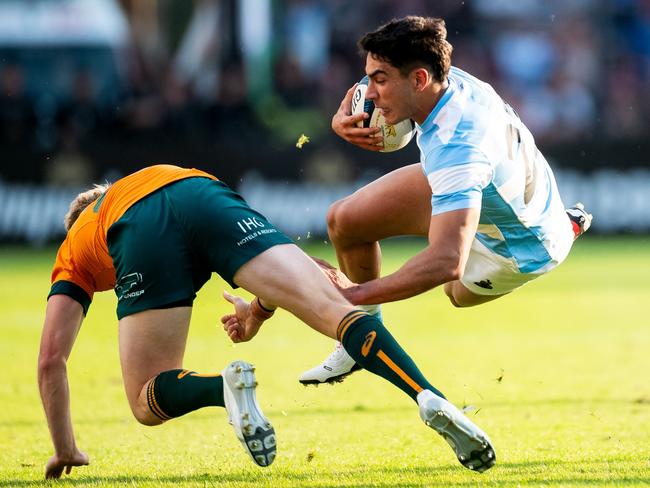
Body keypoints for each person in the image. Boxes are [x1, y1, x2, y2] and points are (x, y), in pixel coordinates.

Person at [39, 164, 496, 480]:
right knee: (334, 310)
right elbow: (311, 272)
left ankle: (222, 388)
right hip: (201, 189)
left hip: (138, 226)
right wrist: (258, 308)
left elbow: (51, 360)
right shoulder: (148, 180)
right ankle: (428, 396)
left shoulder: (77, 244)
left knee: (145, 398)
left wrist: (65, 448)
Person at [299, 16, 592, 384]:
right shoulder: (440, 76)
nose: (369, 93)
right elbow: (381, 81)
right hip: (493, 189)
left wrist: (350, 295)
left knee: (453, 292)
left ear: (419, 80)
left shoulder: (458, 147)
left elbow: (447, 261)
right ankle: (359, 342)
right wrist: (340, 121)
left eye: (380, 80)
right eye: (370, 77)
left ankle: (565, 228)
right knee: (346, 221)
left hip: (520, 246)